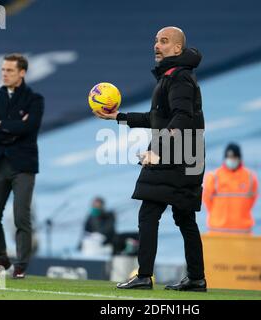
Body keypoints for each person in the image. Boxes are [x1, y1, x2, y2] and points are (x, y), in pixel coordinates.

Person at [94, 26, 207, 291]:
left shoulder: (178, 77)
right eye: (156, 41)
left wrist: (158, 150)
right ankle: (197, 278)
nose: (157, 45)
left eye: (164, 41)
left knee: (148, 213)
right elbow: (156, 118)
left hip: (175, 156)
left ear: (177, 49)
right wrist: (119, 117)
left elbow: (182, 116)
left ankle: (144, 275)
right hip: (189, 156)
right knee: (185, 217)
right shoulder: (174, 75)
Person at [0, 53, 44, 279]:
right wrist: (14, 127)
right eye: (3, 70)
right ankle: (1, 257)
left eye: (9, 70)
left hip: (23, 166)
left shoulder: (34, 99)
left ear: (22, 73)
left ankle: (21, 264)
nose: (4, 74)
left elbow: (30, 128)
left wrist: (1, 127)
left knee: (21, 217)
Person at [202, 143, 258, 233]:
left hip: (242, 230)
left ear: (239, 158)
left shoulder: (250, 177)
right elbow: (207, 200)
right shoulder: (214, 176)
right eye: (229, 157)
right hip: (218, 230)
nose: (231, 160)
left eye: (234, 157)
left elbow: (252, 199)